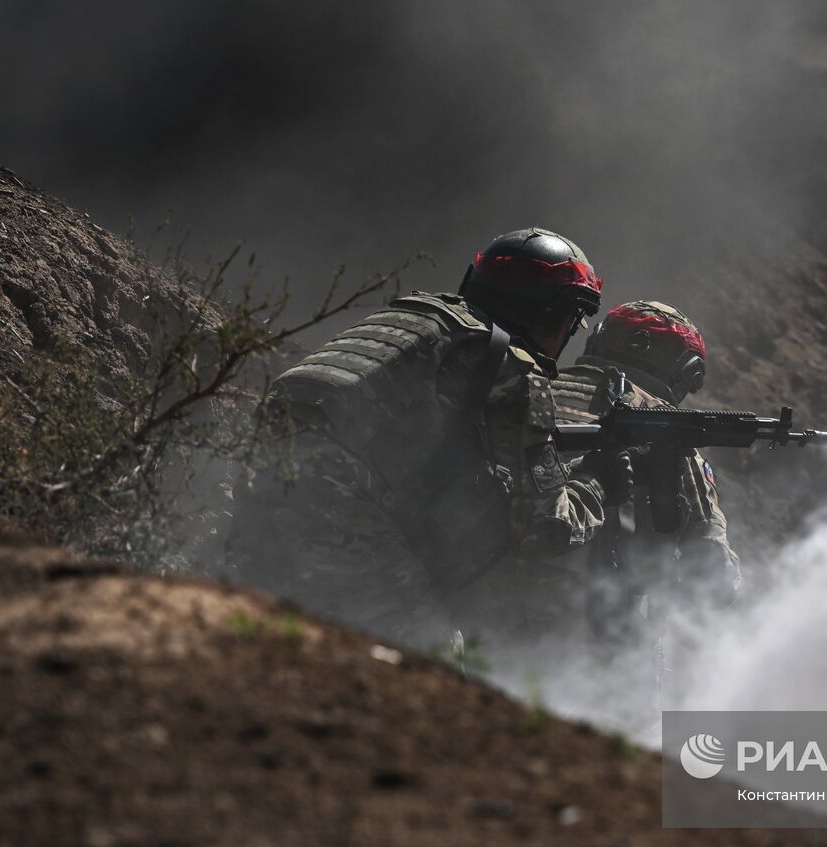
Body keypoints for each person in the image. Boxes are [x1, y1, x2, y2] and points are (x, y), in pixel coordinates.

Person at [226, 228, 632, 640]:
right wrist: (596, 483)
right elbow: (544, 528)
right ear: (551, 314)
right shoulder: (511, 370)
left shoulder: (412, 318)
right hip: (339, 507)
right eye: (572, 320)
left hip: (259, 480)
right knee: (432, 663)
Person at [552, 300, 742, 634]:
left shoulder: (532, 390)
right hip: (600, 636)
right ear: (685, 372)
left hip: (489, 617)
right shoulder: (667, 433)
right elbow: (715, 580)